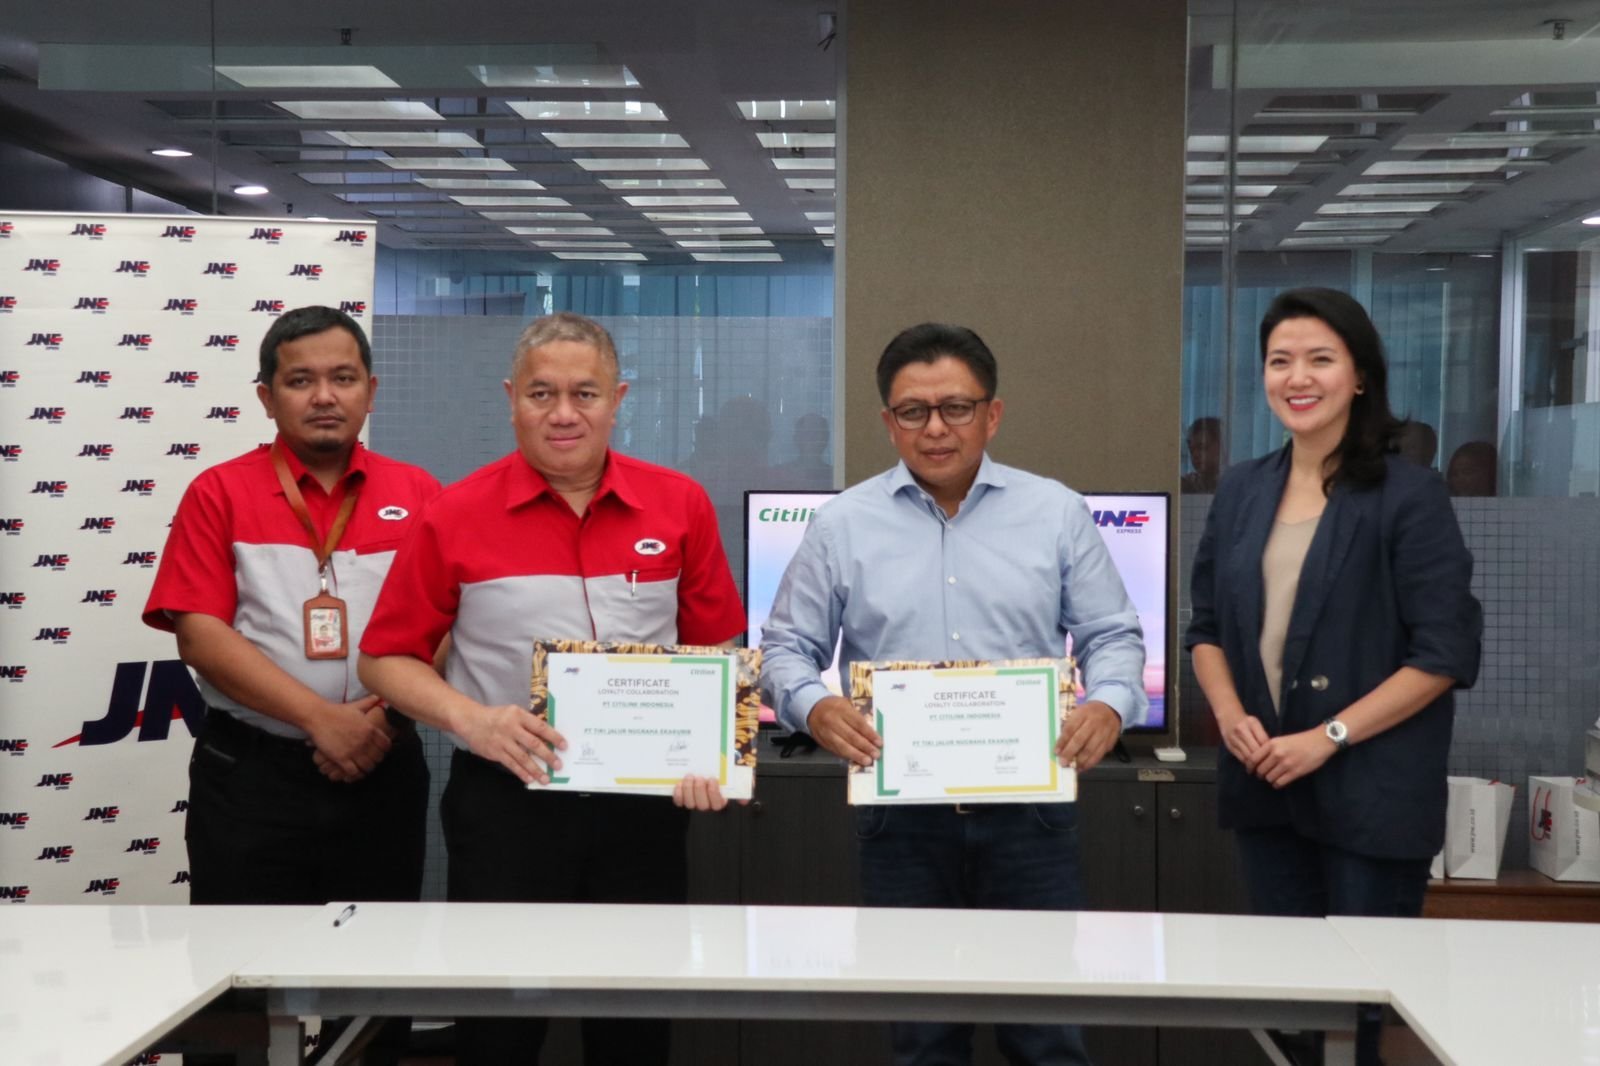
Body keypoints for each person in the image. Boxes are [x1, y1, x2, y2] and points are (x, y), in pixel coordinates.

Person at [357, 311, 745, 1066]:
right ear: (512, 399)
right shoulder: (454, 514)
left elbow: (714, 652)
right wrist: (471, 720)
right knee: (499, 1030)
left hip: (642, 809)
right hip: (506, 805)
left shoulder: (680, 504)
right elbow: (383, 661)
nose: (564, 413)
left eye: (584, 393)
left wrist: (713, 755)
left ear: (617, 400)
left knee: (634, 1026)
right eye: (542, 394)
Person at [760, 322, 1147, 1066]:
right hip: (900, 821)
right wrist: (816, 706)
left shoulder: (1056, 511)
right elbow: (785, 649)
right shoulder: (842, 525)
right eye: (914, 411)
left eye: (956, 408)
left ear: (991, 415)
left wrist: (1108, 703)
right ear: (889, 422)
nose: (935, 428)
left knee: (1047, 1035)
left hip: (1030, 817)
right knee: (923, 1036)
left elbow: (1112, 634)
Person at [1186, 288, 1481, 1066]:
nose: (1297, 377)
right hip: (1266, 782)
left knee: (1358, 1013)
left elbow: (1444, 653)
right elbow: (1206, 630)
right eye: (1279, 360)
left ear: (1359, 376)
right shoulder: (1243, 489)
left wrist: (1328, 736)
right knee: (1289, 1009)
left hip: (1371, 790)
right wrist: (1230, 715)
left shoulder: (1409, 495)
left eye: (1320, 358)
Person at [142, 305, 441, 1063]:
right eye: (300, 380)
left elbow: (447, 625)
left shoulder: (420, 493)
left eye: (343, 378)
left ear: (371, 390)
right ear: (266, 397)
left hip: (383, 766)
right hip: (251, 780)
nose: (324, 396)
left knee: (376, 988)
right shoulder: (219, 492)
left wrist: (379, 721)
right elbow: (199, 633)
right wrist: (321, 719)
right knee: (236, 988)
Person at [1180, 415, 1223, 493]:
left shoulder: (1236, 481)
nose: (1195, 455)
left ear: (1221, 446)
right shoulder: (1188, 484)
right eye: (1191, 450)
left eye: (1202, 447)